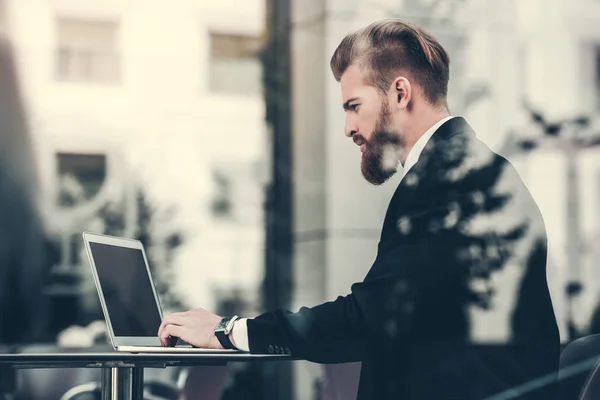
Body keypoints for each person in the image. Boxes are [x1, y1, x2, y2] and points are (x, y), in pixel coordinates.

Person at [158, 19, 560, 399]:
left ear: (400, 93)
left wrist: (226, 330)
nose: (348, 127)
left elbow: (369, 319)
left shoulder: (448, 179)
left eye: (354, 105)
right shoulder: (468, 167)